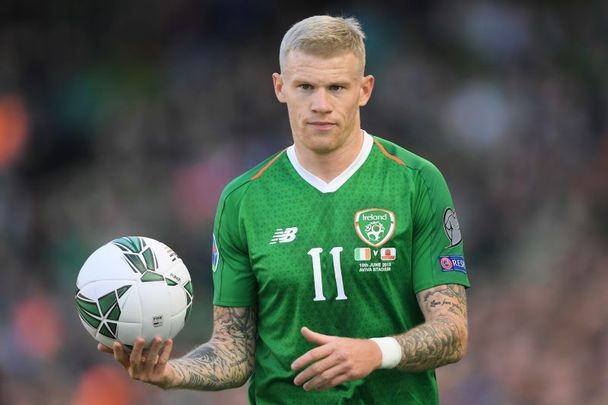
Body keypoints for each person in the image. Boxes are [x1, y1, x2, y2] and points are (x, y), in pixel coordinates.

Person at [99, 15, 470, 404]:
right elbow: (233, 350)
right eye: (305, 86)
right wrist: (171, 373)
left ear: (364, 90)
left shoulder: (415, 182)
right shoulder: (243, 200)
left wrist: (376, 352)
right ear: (280, 87)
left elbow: (451, 331)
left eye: (337, 87)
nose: (321, 104)